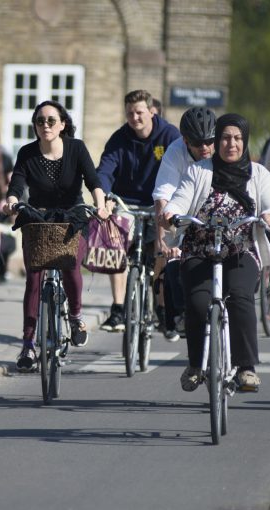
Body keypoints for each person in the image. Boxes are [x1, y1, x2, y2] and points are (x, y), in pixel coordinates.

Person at [160, 113, 270, 393]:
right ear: (217, 141)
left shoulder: (258, 174)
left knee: (241, 296)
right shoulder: (199, 171)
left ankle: (246, 368)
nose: (232, 144)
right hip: (200, 250)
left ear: (245, 141)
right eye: (226, 138)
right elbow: (180, 200)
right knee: (198, 303)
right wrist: (171, 213)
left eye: (238, 138)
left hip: (241, 251)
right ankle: (195, 365)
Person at [3, 100, 108, 371]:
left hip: (72, 217)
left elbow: (93, 181)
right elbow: (17, 181)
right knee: (34, 279)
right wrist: (11, 200)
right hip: (39, 218)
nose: (45, 125)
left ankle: (75, 316)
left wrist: (101, 204)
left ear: (62, 124)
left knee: (71, 265)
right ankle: (27, 346)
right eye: (40, 121)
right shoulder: (27, 152)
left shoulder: (76, 148)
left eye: (51, 120)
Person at [96, 89, 181, 332]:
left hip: (160, 202)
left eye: (140, 112)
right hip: (127, 202)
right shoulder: (119, 139)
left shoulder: (169, 135)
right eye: (130, 113)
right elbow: (105, 170)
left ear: (151, 111)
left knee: (162, 250)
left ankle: (161, 306)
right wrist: (104, 198)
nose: (135, 118)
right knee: (115, 242)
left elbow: (180, 168)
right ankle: (118, 308)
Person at [153, 106, 217, 342]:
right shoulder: (174, 152)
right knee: (172, 264)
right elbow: (163, 196)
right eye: (198, 143)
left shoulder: (222, 150)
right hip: (184, 215)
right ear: (185, 140)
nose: (205, 148)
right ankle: (179, 315)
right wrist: (164, 239)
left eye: (210, 141)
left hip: (217, 216)